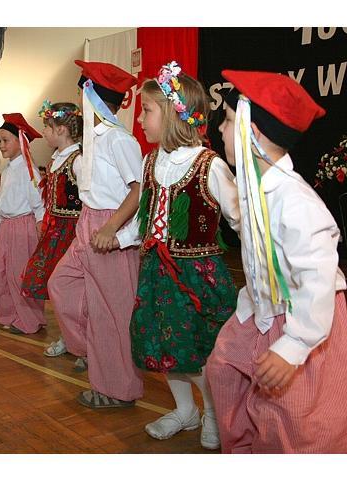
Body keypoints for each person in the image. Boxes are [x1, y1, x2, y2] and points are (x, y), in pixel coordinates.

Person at [206, 70, 347, 453]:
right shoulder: (256, 189)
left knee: (292, 416)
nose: (221, 129)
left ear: (252, 133)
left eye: (228, 121)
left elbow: (316, 279)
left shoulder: (295, 201)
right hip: (263, 309)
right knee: (223, 369)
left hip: (305, 315)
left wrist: (295, 344)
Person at [111, 61, 240, 449]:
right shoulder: (151, 161)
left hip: (196, 276)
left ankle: (212, 412)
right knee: (163, 344)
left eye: (147, 111)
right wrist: (119, 238)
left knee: (195, 349)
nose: (140, 119)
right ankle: (185, 410)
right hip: (156, 272)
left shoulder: (209, 165)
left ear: (171, 114)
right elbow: (147, 216)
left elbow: (239, 218)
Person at [48, 60, 144, 408]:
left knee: (112, 312)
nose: (79, 101)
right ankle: (94, 352)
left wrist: (111, 227)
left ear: (93, 97)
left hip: (109, 225)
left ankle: (119, 389)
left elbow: (138, 190)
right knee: (61, 285)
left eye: (82, 94)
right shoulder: (93, 137)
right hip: (87, 222)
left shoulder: (118, 139)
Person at [20, 101, 83, 355]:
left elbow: (89, 200)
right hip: (55, 229)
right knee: (49, 282)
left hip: (72, 232)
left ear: (61, 129)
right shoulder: (56, 160)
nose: (44, 132)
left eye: (47, 127)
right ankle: (69, 336)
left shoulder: (78, 160)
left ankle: (79, 340)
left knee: (70, 288)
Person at [0, 112, 46, 334]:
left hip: (23, 227)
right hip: (6, 226)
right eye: (0, 141)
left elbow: (39, 203)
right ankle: (10, 314)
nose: (1, 146)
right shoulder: (8, 169)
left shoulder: (28, 170)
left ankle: (29, 320)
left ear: (20, 141)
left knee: (19, 275)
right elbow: (4, 203)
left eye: (5, 140)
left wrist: (40, 226)